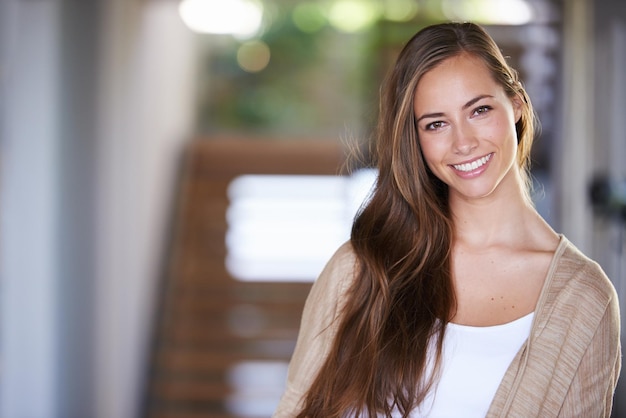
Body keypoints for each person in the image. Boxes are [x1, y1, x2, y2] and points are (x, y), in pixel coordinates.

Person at [273, 22, 621, 417]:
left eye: (480, 110)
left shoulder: (584, 301)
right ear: (416, 138)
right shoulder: (362, 267)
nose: (463, 142)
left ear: (517, 105)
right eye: (436, 123)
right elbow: (295, 408)